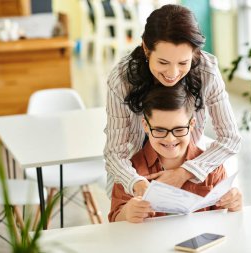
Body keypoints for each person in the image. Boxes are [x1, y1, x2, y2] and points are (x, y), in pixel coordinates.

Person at [104, 4, 241, 198]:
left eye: (183, 63)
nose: (172, 73)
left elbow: (230, 138)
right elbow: (114, 153)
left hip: (186, 171)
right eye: (163, 62)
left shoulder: (207, 71)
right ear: (145, 48)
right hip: (135, 175)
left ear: (194, 53)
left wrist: (184, 173)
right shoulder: (122, 79)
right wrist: (136, 183)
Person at [108, 83, 242, 223]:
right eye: (160, 130)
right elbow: (115, 220)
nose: (170, 139)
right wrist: (127, 212)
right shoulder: (130, 171)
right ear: (146, 126)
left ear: (191, 124)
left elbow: (223, 220)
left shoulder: (212, 168)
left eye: (178, 129)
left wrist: (234, 204)